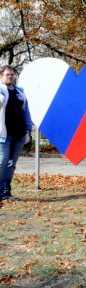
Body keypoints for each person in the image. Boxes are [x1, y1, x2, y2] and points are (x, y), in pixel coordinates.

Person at [0, 66, 32, 201]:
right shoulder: (1, 91)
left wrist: (28, 130)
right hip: (4, 134)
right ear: (1, 76)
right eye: (7, 75)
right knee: (2, 162)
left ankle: (6, 192)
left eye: (12, 74)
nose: (10, 77)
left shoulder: (20, 92)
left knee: (11, 164)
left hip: (19, 134)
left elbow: (26, 112)